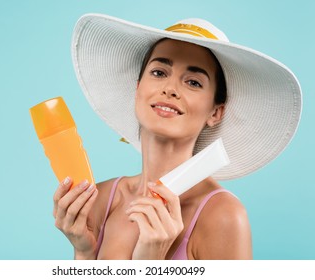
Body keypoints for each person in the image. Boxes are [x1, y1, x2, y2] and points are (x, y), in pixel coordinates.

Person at [52, 14, 302, 260]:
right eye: (160, 73)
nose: (170, 89)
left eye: (193, 82)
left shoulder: (222, 216)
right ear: (138, 87)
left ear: (215, 112)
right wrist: (83, 252)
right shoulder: (102, 197)